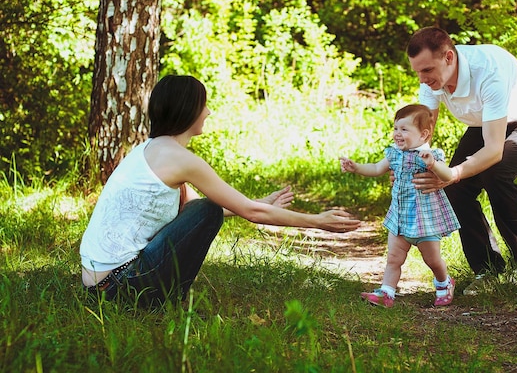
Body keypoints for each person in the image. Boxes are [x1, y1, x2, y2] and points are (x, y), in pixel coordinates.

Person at [80, 75, 361, 308]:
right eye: (204, 105)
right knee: (208, 208)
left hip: (102, 285)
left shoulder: (152, 149)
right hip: (119, 286)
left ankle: (153, 299)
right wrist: (317, 222)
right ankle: (157, 303)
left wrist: (257, 202)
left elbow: (190, 210)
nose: (208, 112)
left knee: (206, 208)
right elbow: (229, 212)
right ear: (188, 110)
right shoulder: (180, 159)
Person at [405, 27, 517, 295]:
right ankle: (488, 269)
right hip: (484, 122)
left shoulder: (488, 72)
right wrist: (409, 168)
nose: (422, 78)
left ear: (449, 57)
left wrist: (453, 171)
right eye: (417, 71)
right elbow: (422, 136)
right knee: (453, 187)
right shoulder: (430, 82)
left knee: (494, 173)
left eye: (427, 70)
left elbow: (494, 150)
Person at [340, 104, 460, 307]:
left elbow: (448, 175)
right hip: (400, 218)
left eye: (404, 129)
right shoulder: (394, 154)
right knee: (394, 258)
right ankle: (387, 293)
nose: (397, 134)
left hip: (425, 221)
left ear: (423, 135)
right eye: (396, 128)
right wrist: (357, 168)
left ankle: (444, 283)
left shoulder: (430, 155)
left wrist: (433, 164)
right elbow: (377, 168)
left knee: (432, 260)